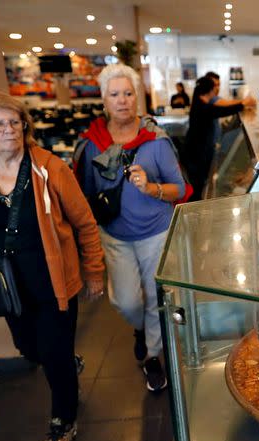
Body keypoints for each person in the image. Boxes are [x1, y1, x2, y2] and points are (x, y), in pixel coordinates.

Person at [0, 88, 105, 441]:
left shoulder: (50, 167)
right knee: (30, 350)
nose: (9, 129)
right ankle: (63, 362)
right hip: (8, 287)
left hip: (54, 280)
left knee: (53, 353)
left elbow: (84, 223)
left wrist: (94, 270)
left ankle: (63, 422)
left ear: (25, 125)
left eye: (15, 121)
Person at [74, 64, 185, 392]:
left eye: (128, 93)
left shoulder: (157, 140)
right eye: (114, 94)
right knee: (126, 302)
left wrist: (151, 188)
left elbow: (179, 188)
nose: (122, 100)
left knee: (155, 298)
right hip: (115, 236)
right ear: (103, 100)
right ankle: (141, 330)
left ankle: (153, 356)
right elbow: (84, 194)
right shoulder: (91, 143)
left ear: (138, 96)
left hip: (156, 232)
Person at [184, 75, 254, 198]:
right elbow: (221, 111)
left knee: (198, 185)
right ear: (210, 91)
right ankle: (197, 208)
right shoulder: (203, 107)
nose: (216, 91)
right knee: (197, 187)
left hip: (196, 153)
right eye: (214, 88)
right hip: (196, 155)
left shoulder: (200, 103)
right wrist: (242, 104)